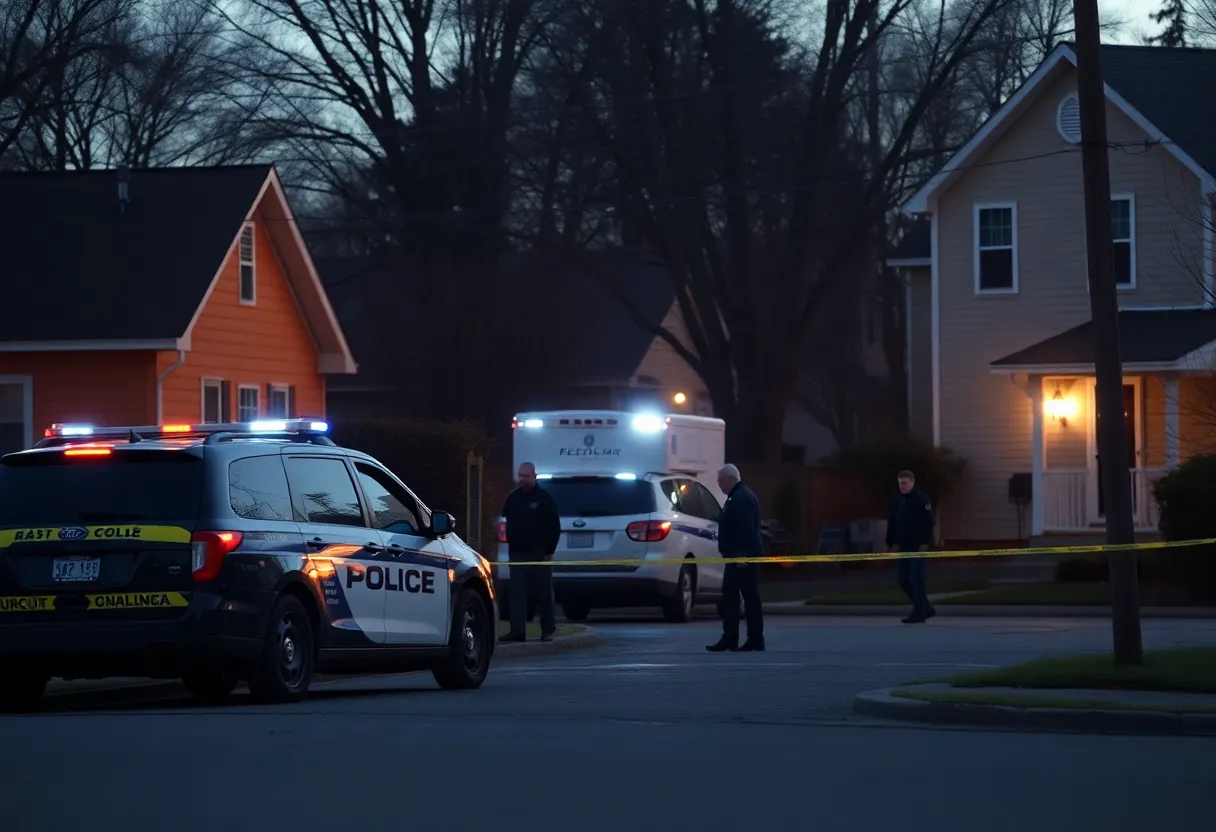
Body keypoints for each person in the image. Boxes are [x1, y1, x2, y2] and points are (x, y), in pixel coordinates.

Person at [500, 461, 562, 642]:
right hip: (517, 554)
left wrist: (548, 550)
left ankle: (548, 630)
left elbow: (554, 527)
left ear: (534, 476)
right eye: (520, 476)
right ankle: (517, 631)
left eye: (526, 476)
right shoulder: (513, 499)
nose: (522, 479)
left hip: (539, 555)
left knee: (543, 593)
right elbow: (504, 522)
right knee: (517, 595)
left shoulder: (544, 499)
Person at [707, 463, 765, 652]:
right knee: (737, 597)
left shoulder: (740, 498)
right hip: (738, 556)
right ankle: (737, 638)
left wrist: (741, 555)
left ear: (730, 478)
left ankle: (749, 638)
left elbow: (745, 528)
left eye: (720, 480)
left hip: (741, 558)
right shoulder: (739, 496)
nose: (719, 484)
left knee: (744, 597)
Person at [886, 469, 936, 624]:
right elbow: (893, 522)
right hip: (904, 546)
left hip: (918, 546)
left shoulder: (922, 499)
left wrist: (924, 542)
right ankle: (925, 607)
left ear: (912, 482)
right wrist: (890, 541)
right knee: (902, 578)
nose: (902, 486)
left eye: (905, 483)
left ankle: (919, 612)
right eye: (900, 483)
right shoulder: (898, 501)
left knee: (917, 579)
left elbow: (929, 522)